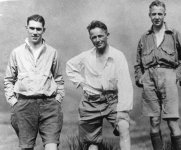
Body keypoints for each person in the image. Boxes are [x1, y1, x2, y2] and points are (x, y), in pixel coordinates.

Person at [66, 20, 133, 150]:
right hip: (91, 101)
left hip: (112, 100)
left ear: (107, 34)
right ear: (90, 38)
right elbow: (70, 65)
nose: (97, 40)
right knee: (92, 141)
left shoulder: (117, 56)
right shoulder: (86, 56)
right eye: (94, 37)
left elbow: (125, 84)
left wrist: (122, 110)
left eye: (100, 36)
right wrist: (81, 83)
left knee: (124, 126)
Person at [134, 1, 181, 150]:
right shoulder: (144, 38)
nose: (157, 17)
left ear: (165, 14)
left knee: (172, 122)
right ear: (149, 15)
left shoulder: (174, 34)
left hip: (168, 78)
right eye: (154, 14)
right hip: (149, 81)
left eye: (160, 13)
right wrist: (140, 78)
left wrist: (178, 76)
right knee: (154, 122)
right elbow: (138, 63)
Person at [4, 14, 64, 150]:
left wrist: (58, 99)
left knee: (52, 147)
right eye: (32, 28)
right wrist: (14, 102)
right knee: (26, 147)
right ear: (27, 28)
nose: (35, 32)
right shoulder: (17, 52)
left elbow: (59, 79)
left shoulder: (52, 52)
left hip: (49, 105)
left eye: (38, 29)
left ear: (44, 30)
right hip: (25, 105)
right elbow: (8, 80)